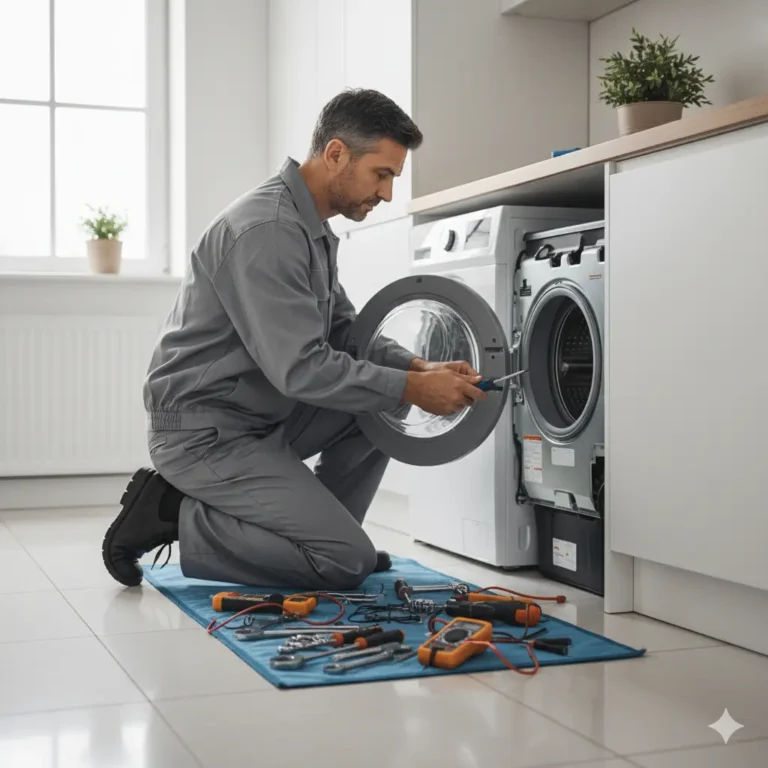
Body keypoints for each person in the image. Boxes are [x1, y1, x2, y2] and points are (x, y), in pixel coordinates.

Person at [102, 88, 486, 591]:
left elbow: (347, 334)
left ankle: (329, 539)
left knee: (374, 410)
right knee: (346, 562)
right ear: (335, 154)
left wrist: (419, 369)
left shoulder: (310, 228)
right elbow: (301, 368)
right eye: (383, 174)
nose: (388, 193)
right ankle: (168, 510)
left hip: (259, 414)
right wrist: (410, 389)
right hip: (203, 430)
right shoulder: (269, 230)